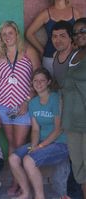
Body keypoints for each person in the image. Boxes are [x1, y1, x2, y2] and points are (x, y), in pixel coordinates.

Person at [0, 20, 40, 195]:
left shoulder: (28, 52)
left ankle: (20, 183)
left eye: (10, 33)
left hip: (22, 106)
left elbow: (38, 79)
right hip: (3, 106)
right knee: (11, 143)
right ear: (0, 37)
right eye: (4, 34)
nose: (7, 37)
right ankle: (16, 181)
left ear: (17, 34)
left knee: (20, 144)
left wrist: (27, 100)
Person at [9, 68, 69, 199]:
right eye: (35, 80)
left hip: (60, 143)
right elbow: (35, 129)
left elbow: (59, 129)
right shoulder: (33, 103)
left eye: (42, 80)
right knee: (13, 158)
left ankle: (39, 196)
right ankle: (25, 192)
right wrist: (34, 146)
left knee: (29, 160)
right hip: (42, 142)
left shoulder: (56, 99)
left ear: (48, 82)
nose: (38, 83)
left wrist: (39, 147)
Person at [51, 21, 83, 198]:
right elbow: (60, 83)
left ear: (71, 38)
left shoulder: (77, 57)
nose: (58, 40)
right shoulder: (56, 56)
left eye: (62, 36)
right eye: (55, 36)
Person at [26, 0, 81, 74]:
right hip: (50, 56)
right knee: (50, 86)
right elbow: (29, 33)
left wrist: (78, 47)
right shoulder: (46, 13)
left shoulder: (75, 12)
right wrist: (42, 50)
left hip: (72, 56)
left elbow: (81, 33)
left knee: (70, 86)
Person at [61, 18, 86, 198]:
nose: (79, 35)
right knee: (78, 167)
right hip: (71, 121)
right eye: (75, 33)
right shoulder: (74, 55)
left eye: (83, 30)